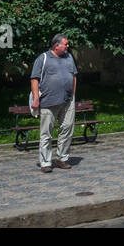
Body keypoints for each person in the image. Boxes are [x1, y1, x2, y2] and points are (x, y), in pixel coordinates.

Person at [30, 33, 78, 173]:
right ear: (57, 46)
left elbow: (74, 76)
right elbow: (34, 78)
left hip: (67, 100)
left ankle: (62, 158)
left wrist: (73, 94)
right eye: (66, 44)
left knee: (68, 129)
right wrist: (36, 98)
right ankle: (45, 162)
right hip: (48, 102)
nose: (68, 46)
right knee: (46, 133)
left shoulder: (69, 57)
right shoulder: (43, 58)